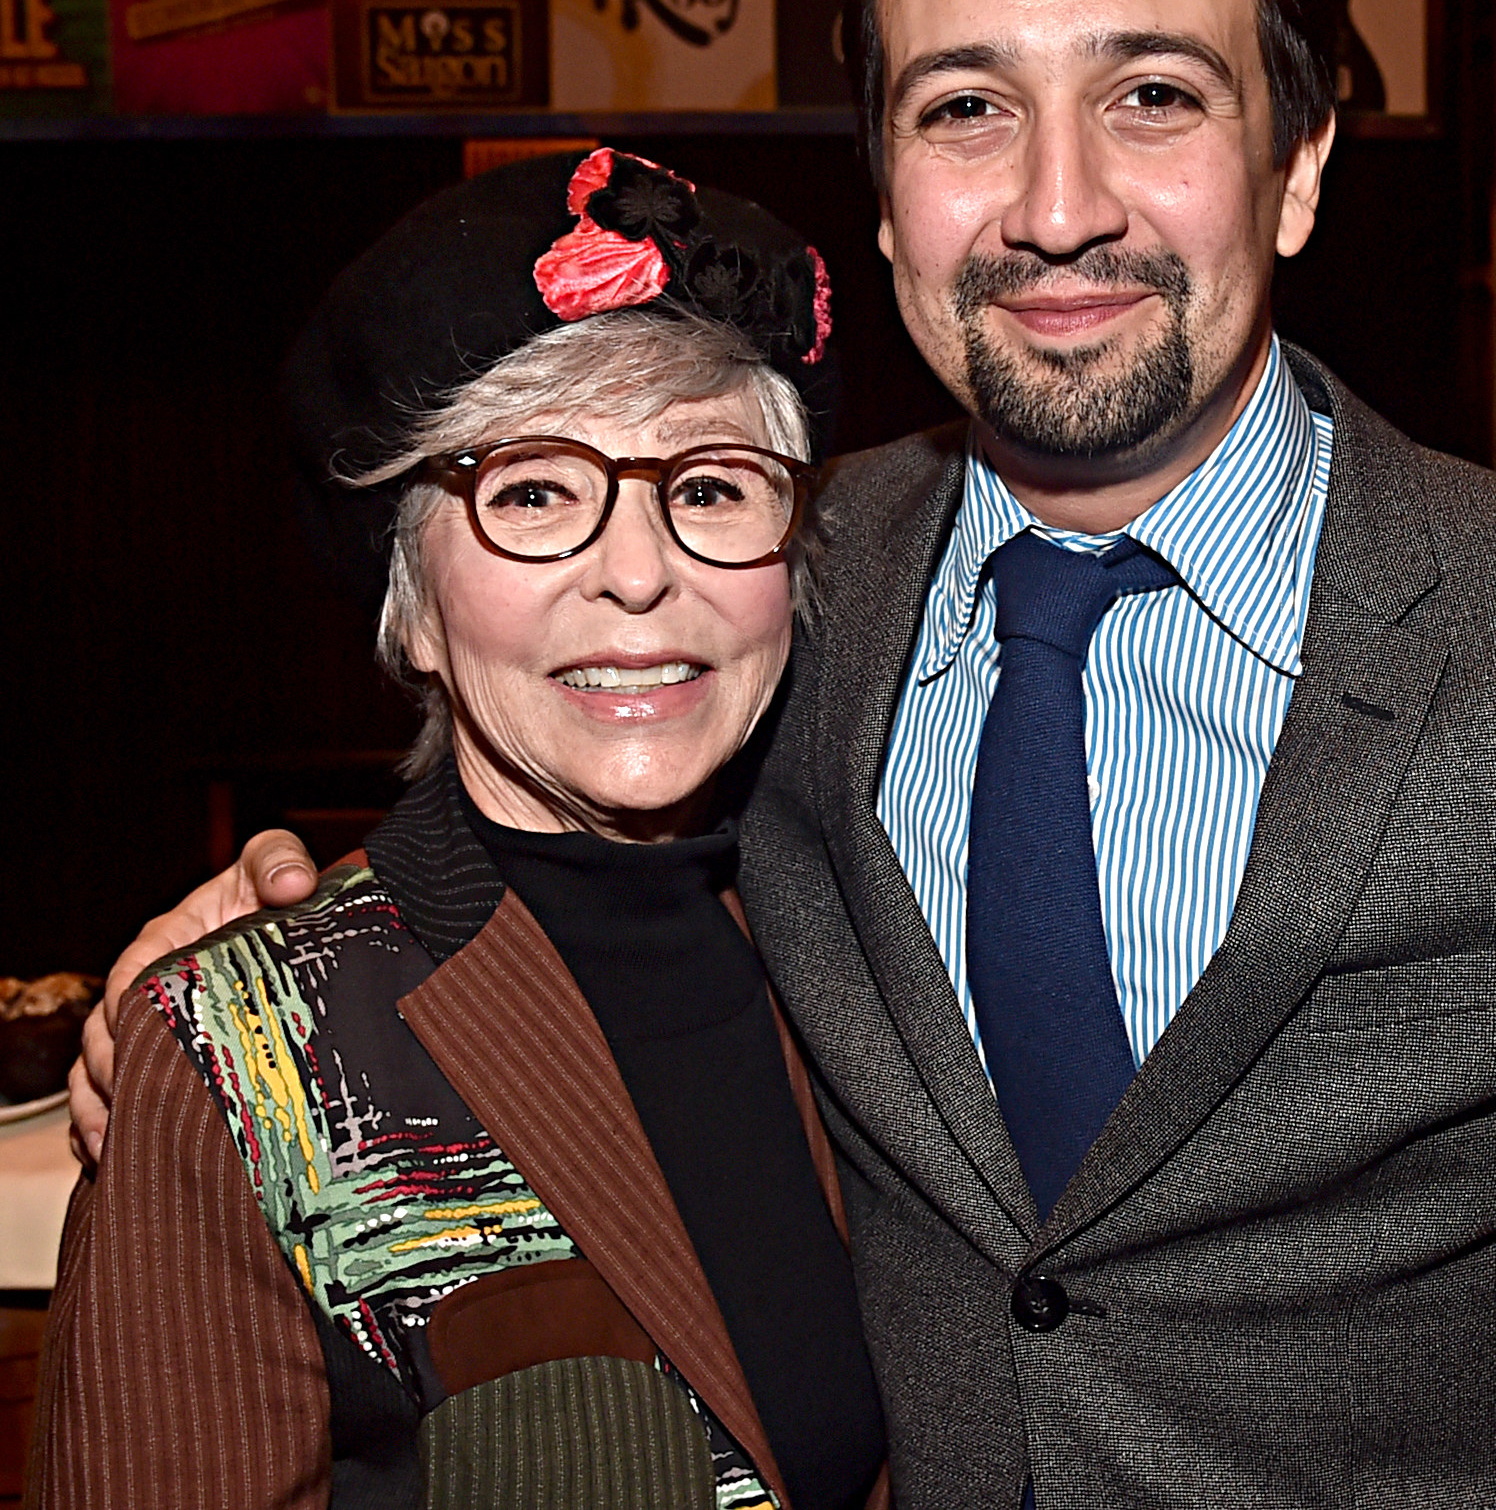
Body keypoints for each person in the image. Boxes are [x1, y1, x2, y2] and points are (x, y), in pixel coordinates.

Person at [77, 0, 1496, 1509]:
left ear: (1300, 159)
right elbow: (546, 822)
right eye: (967, 108)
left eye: (1155, 92)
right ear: (883, 185)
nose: (1058, 205)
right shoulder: (778, 588)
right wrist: (232, 1020)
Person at [34, 149, 887, 1510]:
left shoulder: (888, 945)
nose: (638, 567)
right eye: (536, 491)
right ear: (413, 603)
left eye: (713, 484)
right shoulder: (242, 1055)